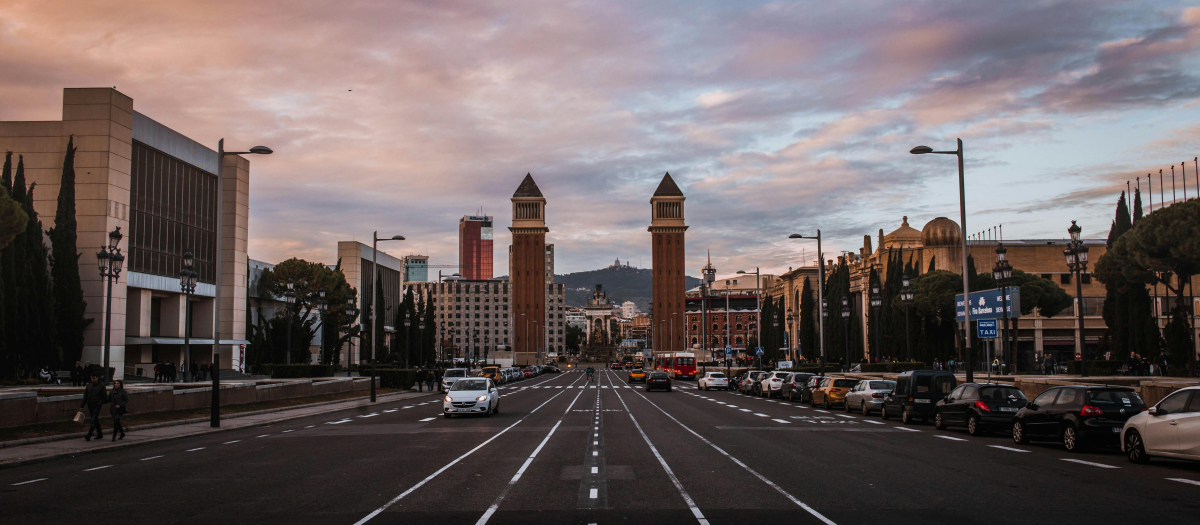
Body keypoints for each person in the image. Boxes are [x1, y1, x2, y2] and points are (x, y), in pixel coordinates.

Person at [81, 373, 109, 441]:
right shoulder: (89, 385)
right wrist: (82, 405)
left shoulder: (101, 386)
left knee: (93, 419)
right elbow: (85, 396)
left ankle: (89, 434)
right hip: (90, 404)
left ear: (97, 378)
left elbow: (104, 396)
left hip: (97, 404)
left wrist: (100, 403)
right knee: (95, 419)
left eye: (94, 378)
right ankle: (100, 433)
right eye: (91, 378)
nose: (92, 379)